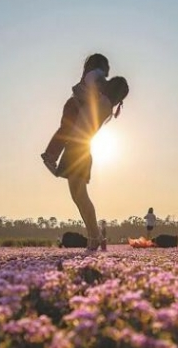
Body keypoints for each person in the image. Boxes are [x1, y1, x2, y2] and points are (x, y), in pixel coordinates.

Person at [55, 76, 129, 251]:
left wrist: (94, 80)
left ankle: (95, 236)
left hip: (78, 149)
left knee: (81, 197)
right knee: (78, 197)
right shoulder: (106, 105)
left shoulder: (102, 101)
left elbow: (78, 90)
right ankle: (94, 235)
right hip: (78, 147)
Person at [41, 54, 114, 175]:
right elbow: (91, 80)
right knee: (69, 133)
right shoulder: (97, 73)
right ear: (102, 65)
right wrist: (100, 88)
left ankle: (54, 157)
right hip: (76, 106)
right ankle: (51, 156)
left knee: (68, 133)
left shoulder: (92, 75)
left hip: (74, 105)